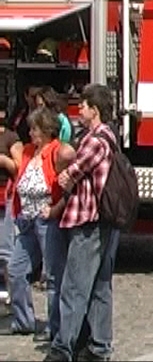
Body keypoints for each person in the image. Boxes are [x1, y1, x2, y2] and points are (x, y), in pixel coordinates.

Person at [45, 84, 121, 362]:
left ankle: (63, 347)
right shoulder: (109, 136)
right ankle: (99, 345)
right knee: (100, 285)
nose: (79, 109)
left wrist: (65, 174)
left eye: (84, 105)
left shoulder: (94, 140)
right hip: (103, 220)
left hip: (87, 219)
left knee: (74, 286)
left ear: (95, 110)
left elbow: (69, 176)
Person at [6, 108, 74, 340]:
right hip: (26, 220)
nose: (30, 133)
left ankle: (55, 327)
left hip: (47, 221)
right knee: (15, 270)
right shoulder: (28, 151)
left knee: (53, 275)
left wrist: (55, 208)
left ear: (45, 130)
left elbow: (69, 164)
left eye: (34, 129)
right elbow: (19, 175)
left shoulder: (55, 151)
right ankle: (23, 320)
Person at [0, 127, 23, 306]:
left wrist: (3, 160)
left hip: (4, 197)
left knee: (5, 249)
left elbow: (19, 167)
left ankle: (12, 296)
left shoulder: (10, 137)